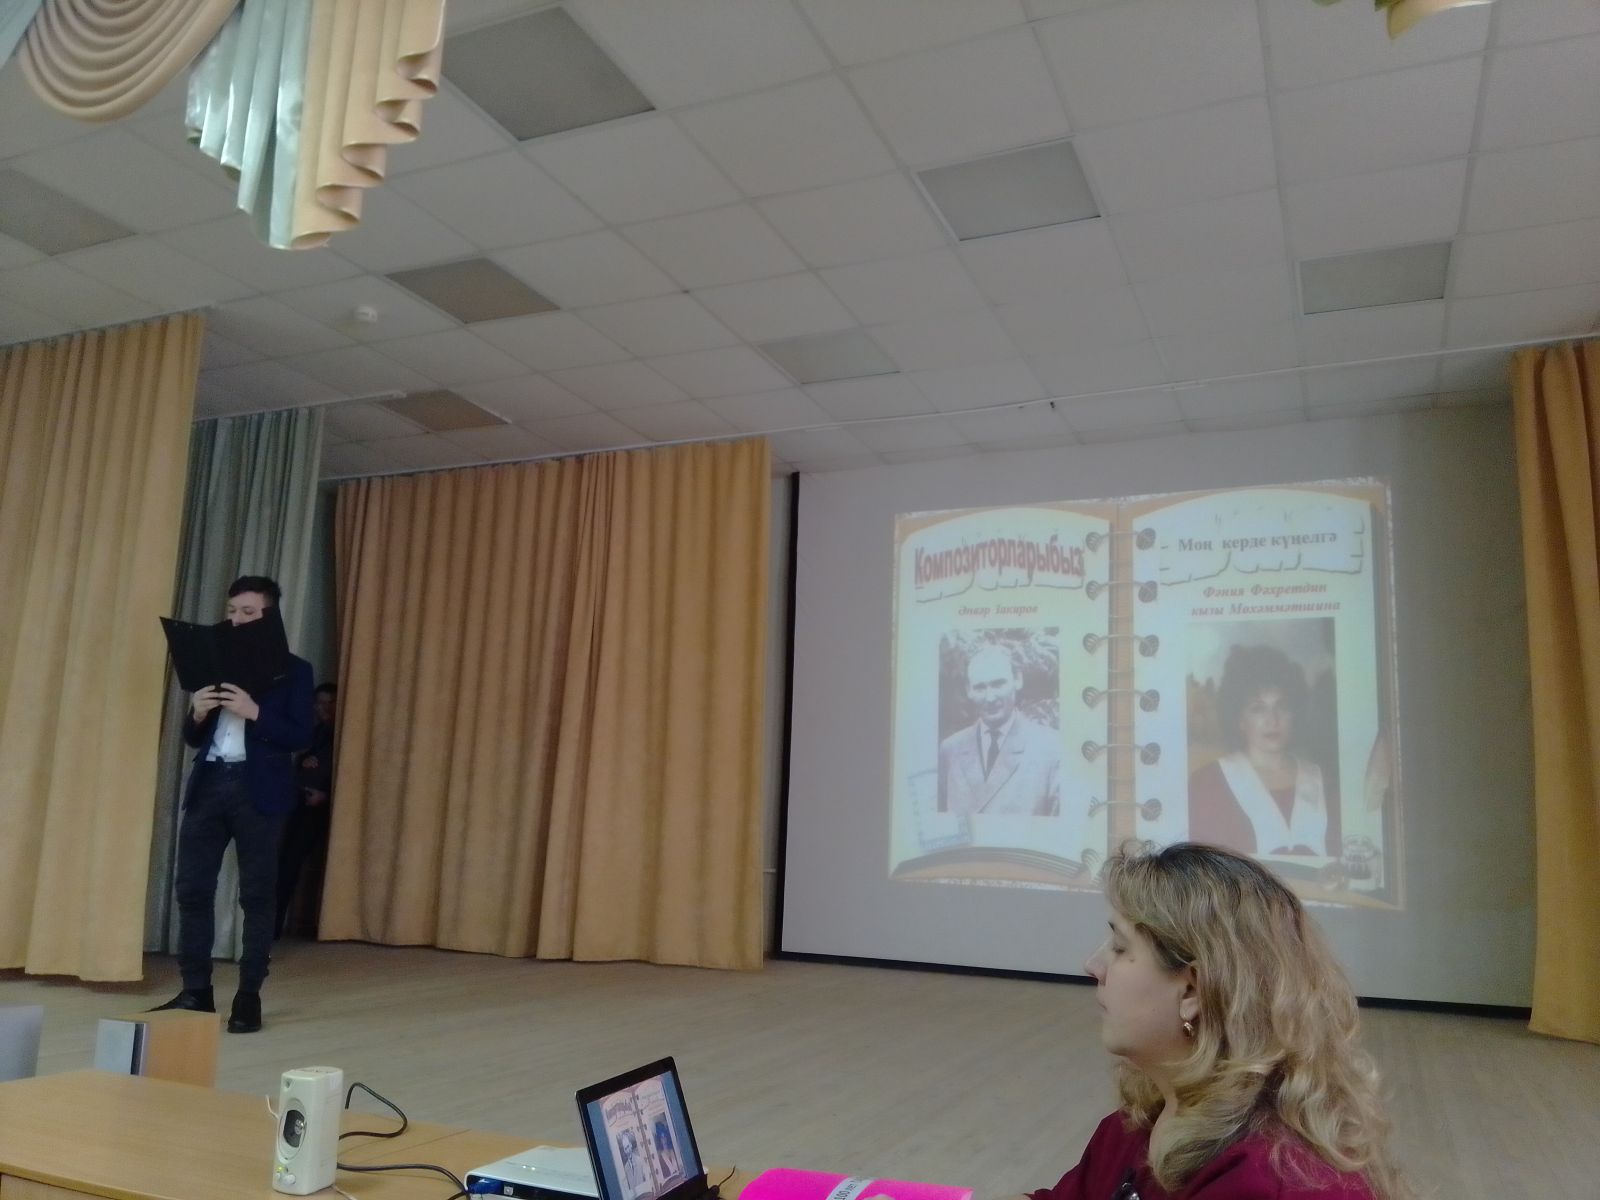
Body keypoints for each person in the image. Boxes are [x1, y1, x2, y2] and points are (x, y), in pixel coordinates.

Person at [1030, 842, 1410, 1200]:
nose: (1092, 966)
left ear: (1193, 991)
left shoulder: (1268, 1181)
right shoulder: (1139, 1123)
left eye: (1119, 947)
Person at [151, 576, 315, 1033]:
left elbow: (300, 734)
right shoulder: (214, 661)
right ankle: (196, 991)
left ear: (270, 616)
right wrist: (198, 712)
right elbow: (193, 738)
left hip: (258, 789)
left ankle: (248, 996)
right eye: (232, 611)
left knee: (257, 894)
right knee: (192, 889)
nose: (237, 619)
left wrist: (255, 712)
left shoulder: (295, 670)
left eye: (248, 612)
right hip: (209, 783)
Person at [1187, 645, 1338, 857]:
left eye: (1282, 707)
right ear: (1239, 719)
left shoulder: (1324, 782)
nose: (1272, 720)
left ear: (1294, 713)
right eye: (1258, 708)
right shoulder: (1206, 783)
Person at [938, 644, 1060, 817]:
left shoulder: (1051, 748)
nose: (990, 697)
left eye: (998, 684)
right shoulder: (950, 750)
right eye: (980, 687)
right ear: (968, 690)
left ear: (1017, 680)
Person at [275, 682, 336, 938]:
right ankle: (274, 925)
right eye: (319, 703)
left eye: (329, 703)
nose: (323, 709)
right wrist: (304, 760)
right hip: (302, 802)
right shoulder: (317, 733)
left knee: (294, 863)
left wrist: (325, 795)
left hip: (322, 807)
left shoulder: (342, 734)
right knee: (287, 863)